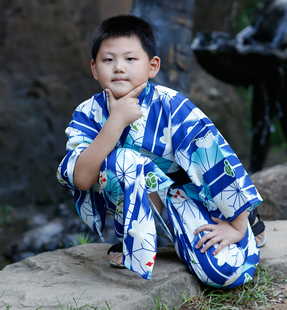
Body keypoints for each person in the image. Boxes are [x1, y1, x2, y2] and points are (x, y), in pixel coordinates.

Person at [57, 14, 265, 288]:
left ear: (152, 66)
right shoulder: (87, 113)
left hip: (189, 195)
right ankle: (136, 237)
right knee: (121, 161)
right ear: (95, 69)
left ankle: (248, 219)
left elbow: (213, 157)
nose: (119, 68)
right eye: (108, 60)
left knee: (225, 273)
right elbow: (82, 177)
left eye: (130, 59)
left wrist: (236, 226)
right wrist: (115, 121)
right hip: (142, 199)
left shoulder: (172, 105)